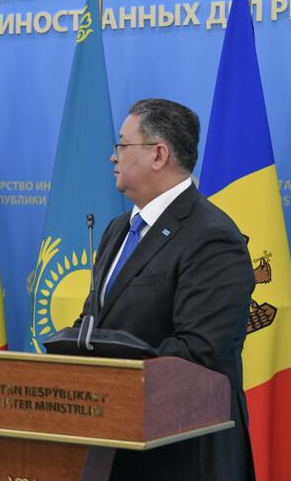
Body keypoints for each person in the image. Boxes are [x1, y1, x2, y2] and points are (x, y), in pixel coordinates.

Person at [79, 99, 255, 480]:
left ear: (158, 155)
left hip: (183, 454)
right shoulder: (116, 230)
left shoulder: (212, 237)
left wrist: (112, 377)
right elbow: (93, 323)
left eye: (122, 144)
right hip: (115, 446)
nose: (113, 156)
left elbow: (197, 352)